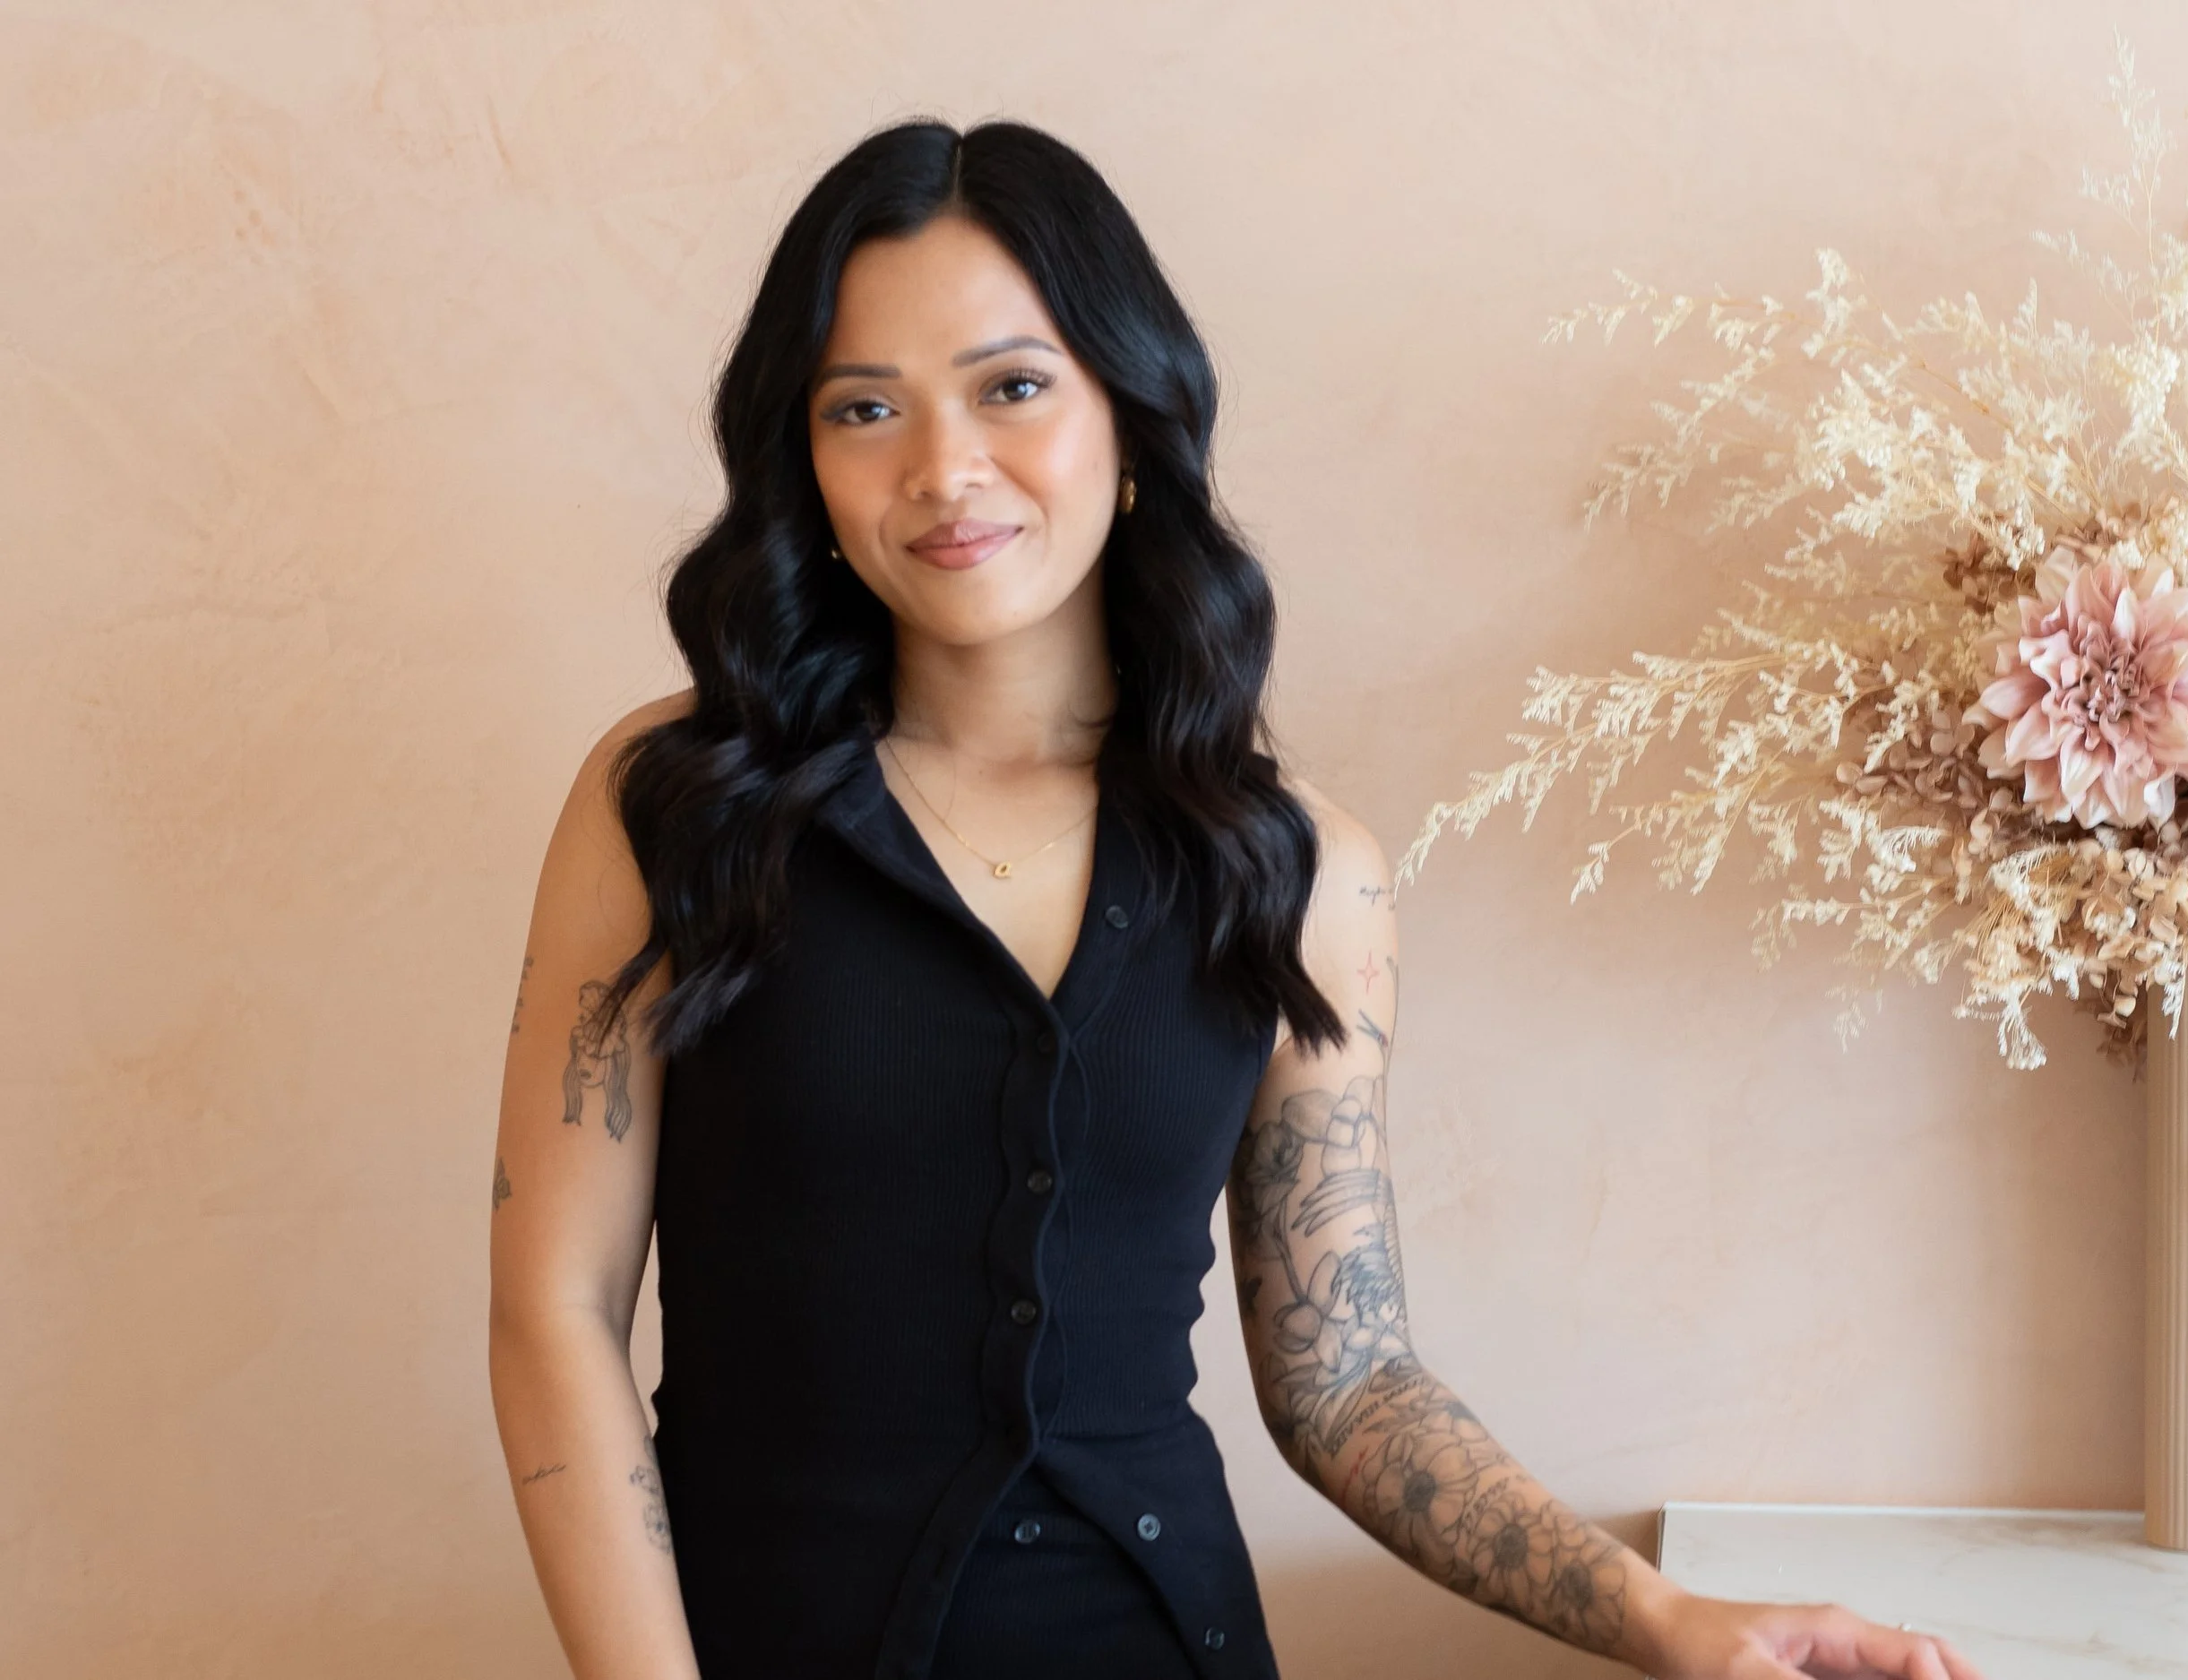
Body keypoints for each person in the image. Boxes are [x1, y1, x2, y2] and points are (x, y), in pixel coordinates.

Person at [487, 117, 1984, 1680]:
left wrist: (1662, 1614)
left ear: (1127, 417)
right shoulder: (673, 803)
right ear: (804, 450)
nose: (943, 470)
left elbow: (1347, 1380)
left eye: (1012, 386)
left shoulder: (1299, 870)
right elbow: (556, 1307)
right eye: (867, 407)